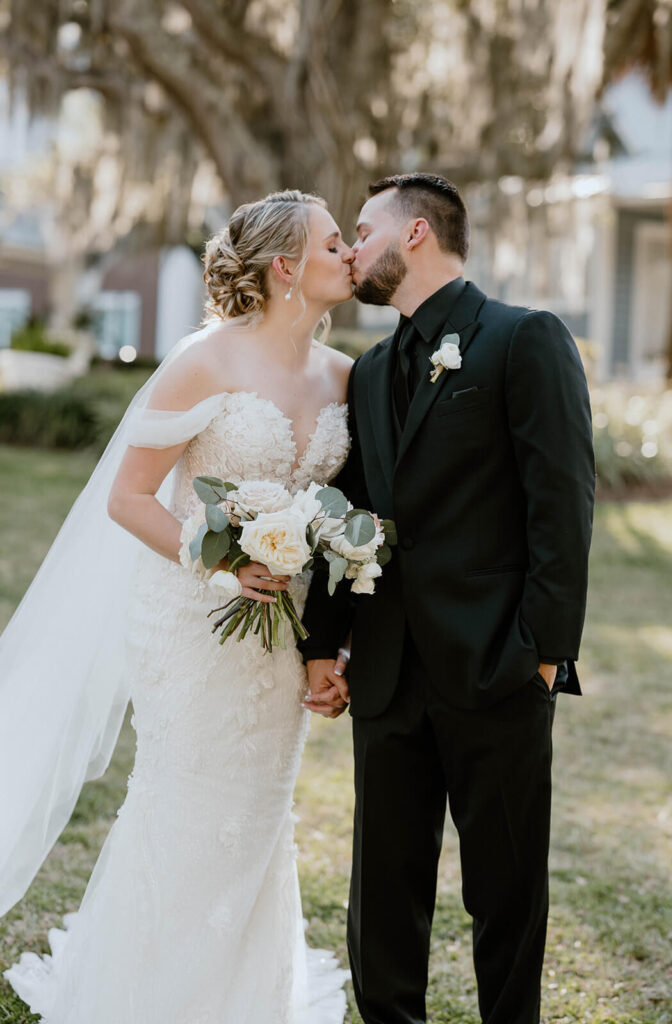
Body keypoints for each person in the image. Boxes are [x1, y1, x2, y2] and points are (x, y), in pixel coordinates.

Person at [1, 189, 355, 1023]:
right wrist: (226, 563)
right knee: (189, 797)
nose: (350, 253)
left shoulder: (347, 375)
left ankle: (245, 997)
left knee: (261, 808)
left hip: (283, 629)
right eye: (335, 242)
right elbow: (130, 497)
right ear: (286, 267)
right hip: (192, 617)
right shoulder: (205, 360)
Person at [299, 172, 596, 1024]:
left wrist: (542, 655)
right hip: (388, 676)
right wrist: (324, 644)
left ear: (417, 234)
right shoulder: (369, 372)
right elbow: (346, 515)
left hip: (496, 668)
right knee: (383, 895)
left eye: (363, 229)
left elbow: (562, 508)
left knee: (505, 894)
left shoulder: (523, 339)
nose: (352, 248)